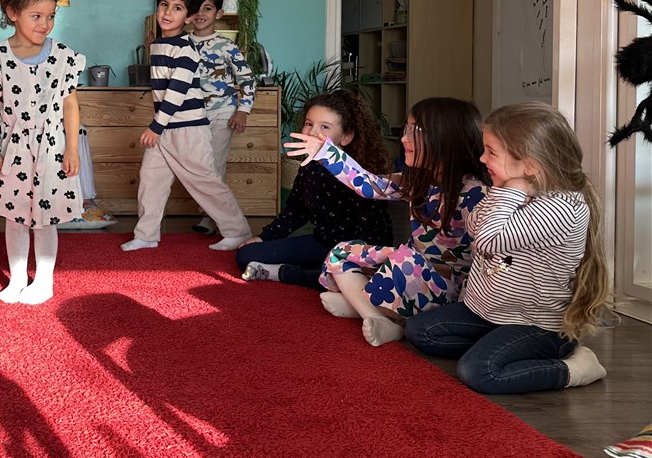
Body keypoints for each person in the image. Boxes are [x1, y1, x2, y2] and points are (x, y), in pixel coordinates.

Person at [405, 103, 611, 393]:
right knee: (419, 331)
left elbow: (488, 241)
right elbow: (475, 225)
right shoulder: (514, 190)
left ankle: (573, 368)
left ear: (530, 165)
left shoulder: (561, 208)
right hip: (489, 313)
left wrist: (510, 190)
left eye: (491, 152)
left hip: (534, 324)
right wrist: (505, 189)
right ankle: (502, 347)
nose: (481, 158)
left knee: (478, 371)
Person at [284, 96, 488, 346]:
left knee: (405, 259)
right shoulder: (418, 181)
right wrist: (327, 153)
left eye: (415, 132)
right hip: (411, 268)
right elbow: (368, 185)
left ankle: (363, 306)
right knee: (341, 253)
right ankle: (375, 315)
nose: (404, 139)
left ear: (446, 138)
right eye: (406, 129)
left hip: (448, 285)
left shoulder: (474, 193)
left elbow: (484, 256)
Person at [0, 0, 83, 305]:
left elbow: (70, 105)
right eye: (36, 16)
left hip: (51, 149)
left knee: (46, 219)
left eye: (51, 16)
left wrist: (72, 148)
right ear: (12, 13)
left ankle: (44, 281)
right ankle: (18, 277)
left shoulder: (63, 56)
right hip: (14, 151)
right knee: (15, 217)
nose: (45, 24)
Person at [122, 0, 252, 253]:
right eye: (164, 5)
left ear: (189, 17)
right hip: (165, 127)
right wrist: (160, 126)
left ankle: (237, 231)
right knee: (151, 180)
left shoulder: (186, 50)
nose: (168, 12)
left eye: (177, 8)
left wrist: (156, 126)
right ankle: (146, 234)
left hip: (187, 128)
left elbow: (176, 92)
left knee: (205, 181)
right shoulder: (158, 44)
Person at [238, 90, 393, 287]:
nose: (312, 132)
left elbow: (371, 233)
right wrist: (263, 238)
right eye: (309, 124)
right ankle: (319, 272)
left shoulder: (359, 173)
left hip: (360, 251)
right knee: (246, 255)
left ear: (346, 137)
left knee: (352, 276)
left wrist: (356, 262)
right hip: (323, 243)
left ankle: (285, 273)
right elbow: (295, 211)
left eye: (325, 126)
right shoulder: (309, 167)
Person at [187, 0, 255, 235]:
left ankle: (214, 218)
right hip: (192, 115)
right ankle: (215, 215)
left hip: (221, 112)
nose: (200, 13)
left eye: (207, 8)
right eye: (196, 7)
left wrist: (243, 110)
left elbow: (247, 80)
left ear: (219, 14)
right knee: (198, 165)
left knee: (213, 167)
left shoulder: (226, 46)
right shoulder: (182, 44)